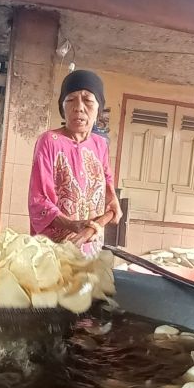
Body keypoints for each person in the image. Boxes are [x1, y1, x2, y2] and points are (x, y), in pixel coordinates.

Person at [29, 69, 122, 257]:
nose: (78, 107)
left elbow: (110, 196)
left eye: (88, 100)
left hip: (91, 248)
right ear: (62, 107)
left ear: (99, 108)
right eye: (70, 100)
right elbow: (38, 201)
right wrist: (73, 225)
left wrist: (105, 213)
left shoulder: (100, 145)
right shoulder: (48, 141)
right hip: (56, 249)